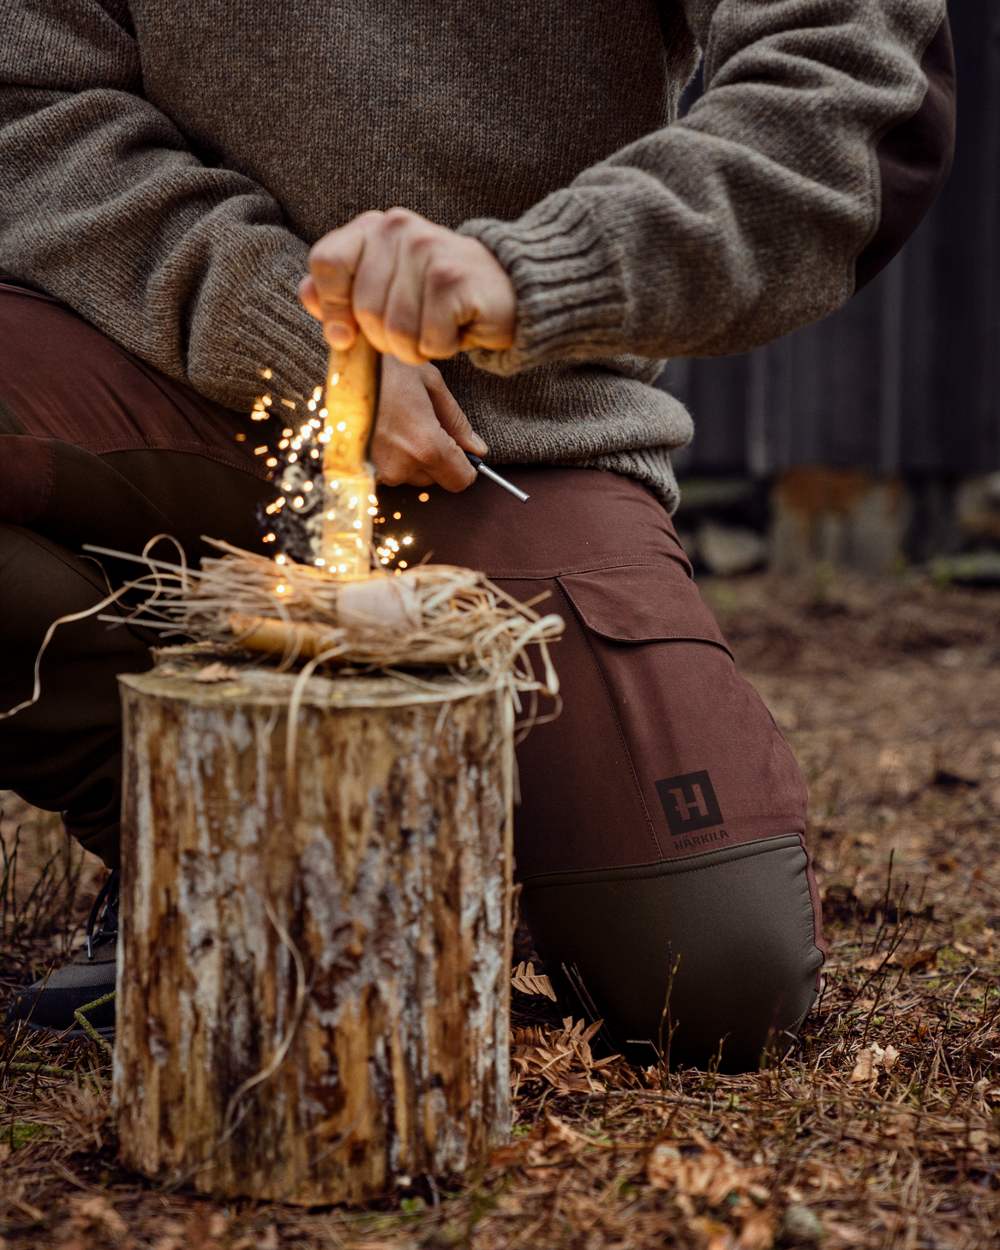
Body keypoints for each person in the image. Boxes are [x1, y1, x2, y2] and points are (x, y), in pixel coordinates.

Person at [0, 1, 954, 1070]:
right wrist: (283, 318)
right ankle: (198, 831)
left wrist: (532, 273)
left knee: (715, 974)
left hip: (509, 426)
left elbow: (849, 80)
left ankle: (405, 845)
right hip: (142, 361)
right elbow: (29, 99)